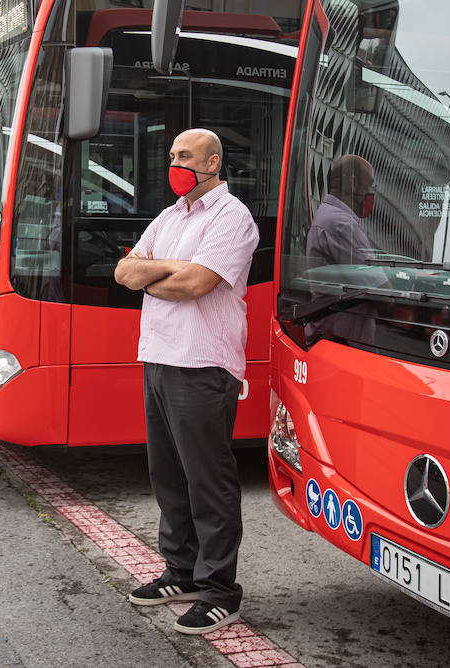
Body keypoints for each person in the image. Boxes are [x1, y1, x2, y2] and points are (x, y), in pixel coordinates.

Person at [113, 128, 258, 636]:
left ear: (213, 162)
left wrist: (154, 275)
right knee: (168, 475)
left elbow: (198, 283)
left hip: (203, 364)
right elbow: (123, 272)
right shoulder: (170, 216)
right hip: (158, 357)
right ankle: (181, 572)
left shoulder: (232, 217)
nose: (175, 164)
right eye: (173, 155)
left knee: (207, 480)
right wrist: (168, 271)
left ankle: (220, 590)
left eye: (185, 156)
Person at [305, 154, 383, 344]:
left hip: (333, 336)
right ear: (353, 184)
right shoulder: (341, 224)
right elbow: (380, 288)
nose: (370, 192)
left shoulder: (329, 215)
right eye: (369, 185)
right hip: (344, 341)